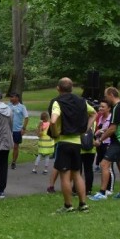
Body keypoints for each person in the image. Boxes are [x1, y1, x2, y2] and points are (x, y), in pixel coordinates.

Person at [48, 77, 94, 213]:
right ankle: (83, 203)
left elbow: (53, 120)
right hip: (77, 143)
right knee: (77, 174)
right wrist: (85, 128)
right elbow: (94, 113)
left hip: (63, 142)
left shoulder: (57, 102)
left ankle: (68, 205)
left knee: (64, 175)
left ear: (58, 88)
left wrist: (55, 132)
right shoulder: (81, 101)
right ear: (72, 88)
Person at [91, 87, 120, 201]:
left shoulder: (117, 108)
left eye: (106, 96)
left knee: (104, 164)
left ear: (111, 95)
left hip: (119, 141)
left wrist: (100, 140)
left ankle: (102, 193)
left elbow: (113, 128)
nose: (105, 98)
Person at [8, 93, 29, 170]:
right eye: (10, 97)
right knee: (5, 146)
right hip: (8, 129)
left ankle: (13, 162)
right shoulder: (8, 106)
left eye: (12, 97)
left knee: (16, 146)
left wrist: (23, 128)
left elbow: (26, 118)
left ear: (17, 98)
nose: (10, 98)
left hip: (17, 130)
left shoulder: (22, 107)